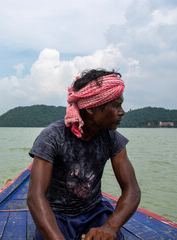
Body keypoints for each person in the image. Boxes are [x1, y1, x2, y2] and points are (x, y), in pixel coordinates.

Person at [27, 69, 141, 240]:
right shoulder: (52, 137)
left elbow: (132, 190)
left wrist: (110, 227)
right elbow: (35, 198)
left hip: (95, 212)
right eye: (116, 105)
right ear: (91, 109)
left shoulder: (112, 138)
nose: (122, 112)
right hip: (57, 215)